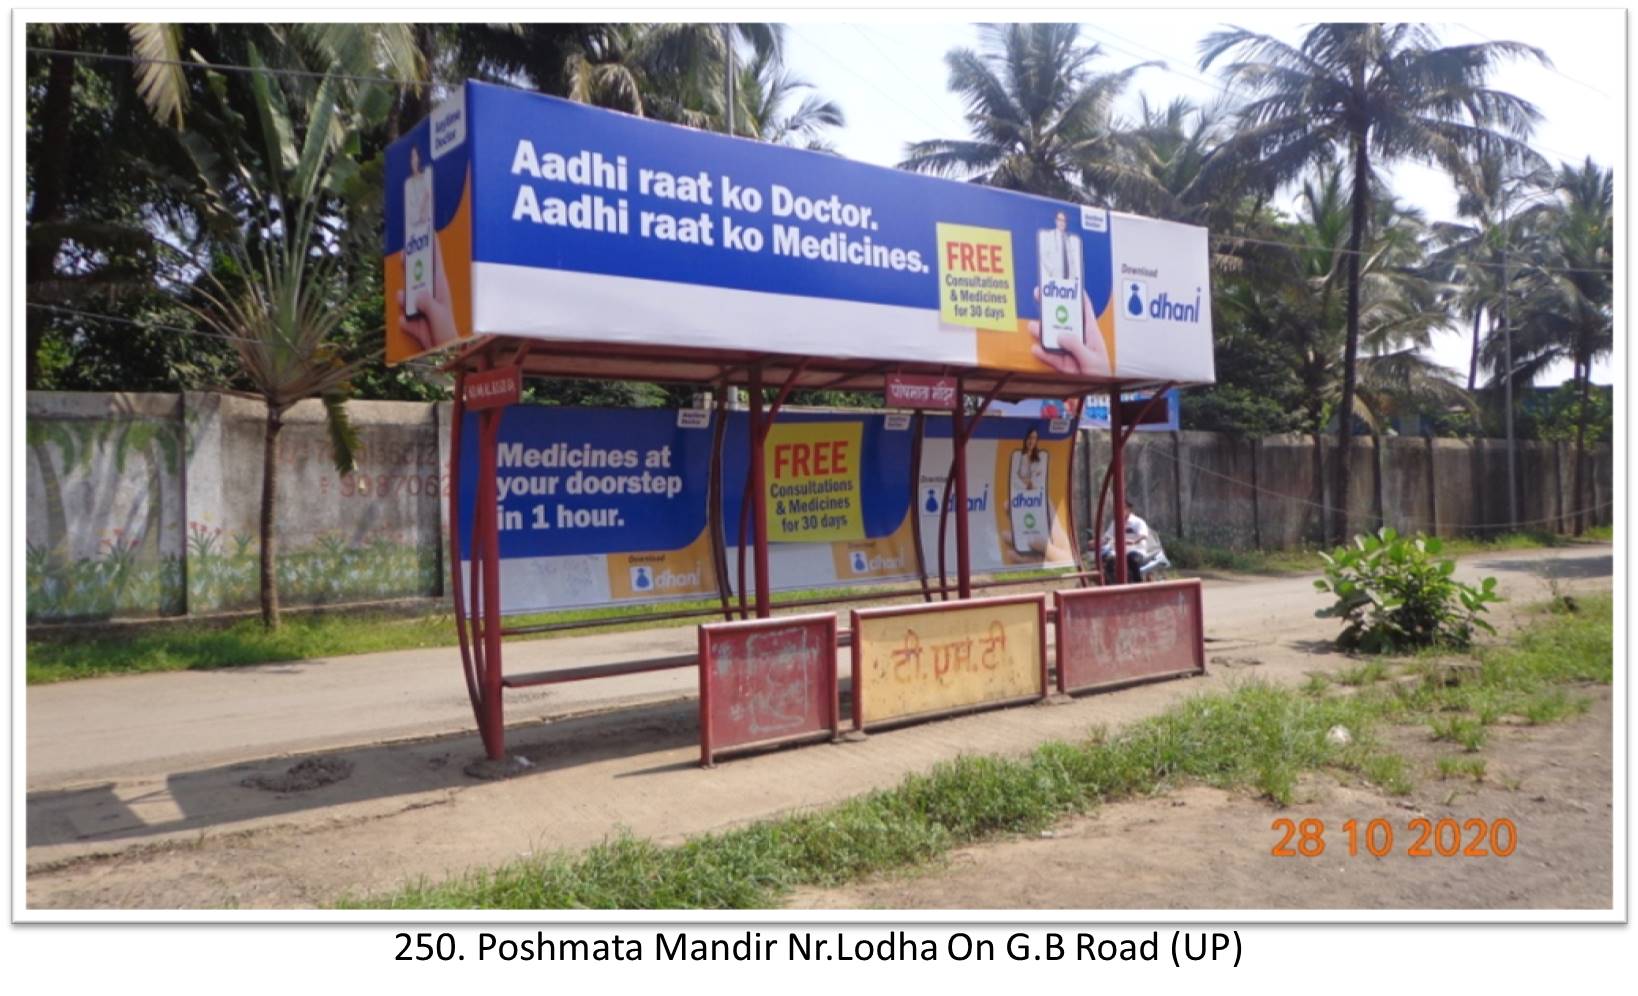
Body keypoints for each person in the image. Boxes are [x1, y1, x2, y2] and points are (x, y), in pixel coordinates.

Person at [1099, 507, 1164, 583]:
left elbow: (1143, 535)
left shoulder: (1138, 522)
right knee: (1108, 560)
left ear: (1128, 510)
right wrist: (1097, 543)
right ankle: (1111, 584)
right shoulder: (1115, 523)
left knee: (1132, 559)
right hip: (1117, 552)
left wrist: (1133, 541)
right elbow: (1107, 537)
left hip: (1135, 550)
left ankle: (1138, 583)